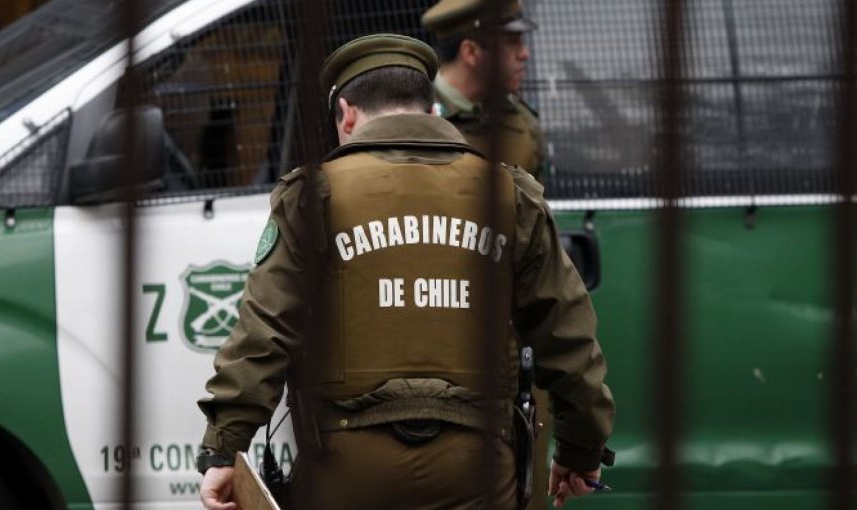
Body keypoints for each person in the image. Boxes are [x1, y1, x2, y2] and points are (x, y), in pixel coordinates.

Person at [196, 33, 614, 510]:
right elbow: (567, 336)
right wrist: (581, 448)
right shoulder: (509, 195)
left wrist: (223, 449)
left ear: (347, 114)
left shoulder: (312, 196)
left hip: (347, 465)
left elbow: (264, 331)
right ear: (430, 109)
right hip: (478, 465)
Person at [422, 0, 549, 183]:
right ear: (471, 52)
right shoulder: (416, 118)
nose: (524, 54)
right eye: (512, 43)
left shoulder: (523, 124)